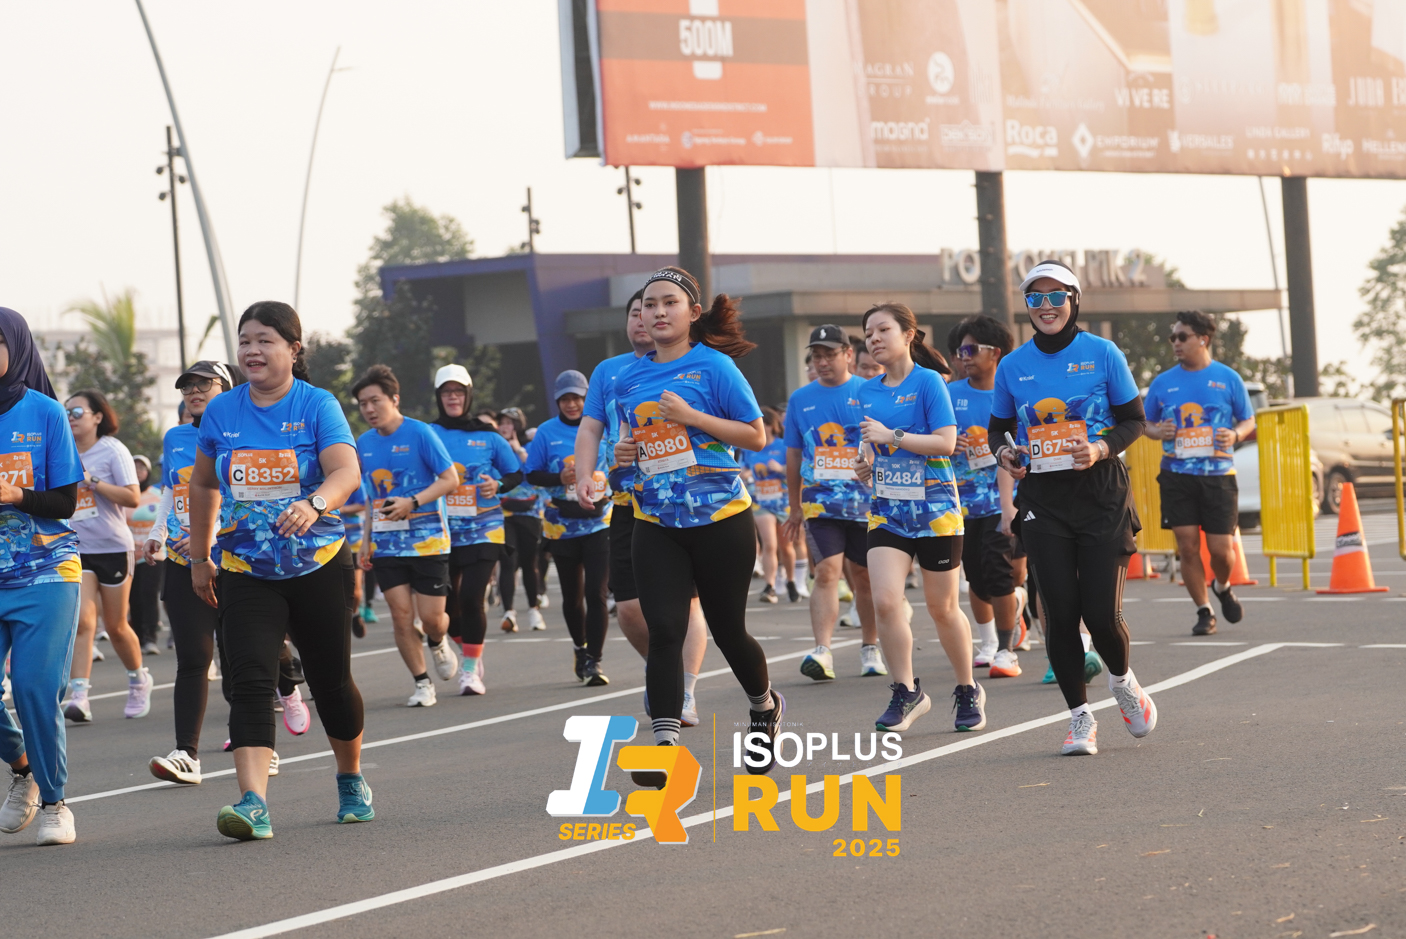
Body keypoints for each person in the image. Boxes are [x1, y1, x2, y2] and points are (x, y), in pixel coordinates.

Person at [188, 301, 370, 839]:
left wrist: (315, 503)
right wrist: (199, 557)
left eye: (264, 340)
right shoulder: (222, 411)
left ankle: (350, 777)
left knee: (330, 682)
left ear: (293, 349)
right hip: (245, 567)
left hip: (318, 563)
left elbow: (346, 470)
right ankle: (253, 803)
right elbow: (204, 484)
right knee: (249, 681)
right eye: (245, 340)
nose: (252, 350)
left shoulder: (317, 404)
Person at [605, 266, 784, 778]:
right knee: (665, 630)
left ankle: (764, 706)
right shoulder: (628, 378)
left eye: (669, 303)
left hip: (721, 519)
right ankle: (665, 749)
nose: (658, 312)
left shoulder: (715, 367)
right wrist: (622, 455)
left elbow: (755, 436)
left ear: (692, 313)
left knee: (728, 631)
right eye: (649, 305)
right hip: (655, 520)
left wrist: (694, 418)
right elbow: (634, 447)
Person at [992, 260, 1157, 757]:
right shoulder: (1012, 366)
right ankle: (1080, 718)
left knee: (1101, 615)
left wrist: (1101, 448)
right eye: (1035, 298)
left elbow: (1134, 420)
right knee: (1061, 613)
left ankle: (1122, 681)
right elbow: (1000, 429)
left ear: (1074, 300)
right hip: (1043, 499)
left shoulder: (1103, 353)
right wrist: (1006, 454)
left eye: (1055, 296)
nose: (1046, 306)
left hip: (1101, 493)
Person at [145, 360, 301, 787]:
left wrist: (209, 539)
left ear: (228, 388)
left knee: (240, 656)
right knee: (194, 658)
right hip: (185, 560)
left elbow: (246, 497)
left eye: (204, 384)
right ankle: (186, 754)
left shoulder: (249, 432)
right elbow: (173, 490)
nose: (194, 392)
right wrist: (158, 533)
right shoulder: (176, 437)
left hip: (236, 559)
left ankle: (264, 735)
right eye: (187, 387)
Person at [574, 290, 709, 725]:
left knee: (687, 603)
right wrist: (584, 474)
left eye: (653, 309)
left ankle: (684, 691)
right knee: (630, 607)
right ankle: (663, 673)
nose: (644, 318)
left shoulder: (692, 363)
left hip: (681, 500)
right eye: (637, 311)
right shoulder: (609, 371)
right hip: (627, 501)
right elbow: (590, 427)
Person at [852, 304, 984, 734]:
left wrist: (891, 436)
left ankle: (967, 688)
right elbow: (869, 446)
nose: (873, 338)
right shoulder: (866, 392)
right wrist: (864, 463)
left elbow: (945, 443)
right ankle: (906, 691)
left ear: (908, 335)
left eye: (882, 329)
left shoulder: (929, 382)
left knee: (942, 608)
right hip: (888, 510)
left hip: (935, 510)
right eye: (868, 333)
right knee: (886, 601)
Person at [0, 307, 86, 845]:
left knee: (34, 688)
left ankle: (55, 803)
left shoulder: (46, 413)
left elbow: (66, 501)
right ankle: (25, 767)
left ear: (15, 346)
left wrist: (17, 495)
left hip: (44, 570)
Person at [782, 325, 885, 681]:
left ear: (848, 355)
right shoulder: (800, 399)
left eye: (829, 354)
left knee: (864, 577)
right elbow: (793, 454)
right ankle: (822, 651)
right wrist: (794, 505)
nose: (822, 362)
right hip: (819, 503)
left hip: (865, 503)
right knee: (826, 571)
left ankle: (870, 647)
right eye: (817, 356)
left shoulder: (869, 391)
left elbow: (885, 443)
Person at [354, 364, 460, 708]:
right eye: (363, 404)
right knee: (400, 616)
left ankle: (438, 640)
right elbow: (370, 497)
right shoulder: (363, 443)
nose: (369, 409)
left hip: (428, 539)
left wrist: (412, 502)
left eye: (375, 401)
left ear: (394, 399)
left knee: (431, 620)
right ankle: (422, 682)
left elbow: (450, 480)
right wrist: (366, 540)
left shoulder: (420, 433)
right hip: (386, 543)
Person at [1143, 310, 1255, 636]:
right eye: (1173, 337)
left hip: (1219, 475)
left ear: (1203, 339)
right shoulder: (1162, 383)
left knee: (1221, 551)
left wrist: (1235, 434)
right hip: (1176, 475)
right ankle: (1204, 610)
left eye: (1182, 336)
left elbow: (1248, 419)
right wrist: (1158, 431)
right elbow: (1144, 423)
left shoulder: (1227, 378)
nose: (1175, 343)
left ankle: (1222, 586)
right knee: (1188, 546)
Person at [430, 364, 522, 694]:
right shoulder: (427, 434)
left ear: (468, 395)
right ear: (439, 397)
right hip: (440, 531)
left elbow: (515, 474)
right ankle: (469, 648)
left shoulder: (489, 436)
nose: (453, 398)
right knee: (446, 606)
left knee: (471, 597)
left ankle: (470, 670)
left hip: (484, 527)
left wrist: (497, 485)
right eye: (446, 392)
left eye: (458, 392)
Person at [60, 389, 149, 722]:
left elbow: (132, 498)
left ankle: (138, 680)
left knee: (116, 626)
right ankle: (80, 696)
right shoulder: (61, 448)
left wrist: (91, 480)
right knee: (83, 621)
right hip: (74, 547)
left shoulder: (113, 450)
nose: (70, 418)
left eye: (77, 412)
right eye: (67, 412)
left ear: (98, 417)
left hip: (113, 547)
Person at [949, 316, 1028, 677]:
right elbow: (932, 438)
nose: (963, 357)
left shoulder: (1011, 394)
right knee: (977, 579)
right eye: (960, 351)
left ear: (994, 352)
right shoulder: (950, 394)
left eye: (971, 350)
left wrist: (1010, 503)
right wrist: (948, 444)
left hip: (1003, 499)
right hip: (960, 505)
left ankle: (1006, 650)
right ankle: (992, 637)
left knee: (1000, 573)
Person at [526, 370, 613, 685]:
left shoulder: (605, 427)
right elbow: (531, 474)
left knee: (596, 592)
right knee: (573, 597)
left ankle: (594, 661)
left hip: (600, 522)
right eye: (565, 399)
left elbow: (619, 464)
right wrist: (559, 478)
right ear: (557, 401)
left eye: (577, 397)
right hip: (561, 525)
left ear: (587, 397)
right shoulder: (546, 432)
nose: (572, 404)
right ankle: (580, 647)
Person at [495, 407, 545, 630]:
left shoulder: (530, 446)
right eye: (502, 423)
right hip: (503, 513)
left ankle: (534, 610)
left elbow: (536, 471)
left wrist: (518, 450)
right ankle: (509, 613)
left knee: (529, 562)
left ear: (518, 425)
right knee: (508, 561)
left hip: (529, 512)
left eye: (509, 423)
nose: (505, 427)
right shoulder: (496, 446)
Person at [746, 406, 799, 604]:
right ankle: (769, 586)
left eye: (763, 423)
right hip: (761, 501)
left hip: (783, 501)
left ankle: (791, 581)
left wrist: (780, 468)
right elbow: (743, 467)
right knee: (769, 544)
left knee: (786, 547)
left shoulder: (783, 446)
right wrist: (744, 473)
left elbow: (796, 470)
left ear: (770, 425)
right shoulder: (750, 447)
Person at [127, 455, 164, 654]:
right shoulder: (124, 495)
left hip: (154, 554)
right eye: (134, 467)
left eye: (142, 468)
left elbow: (165, 522)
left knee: (148, 594)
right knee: (134, 598)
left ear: (148, 472)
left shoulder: (157, 495)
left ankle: (150, 637)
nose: (138, 471)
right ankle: (138, 638)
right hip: (130, 554)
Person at [342, 478, 369, 637]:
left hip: (354, 540)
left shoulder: (356, 482)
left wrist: (339, 508)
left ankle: (355, 613)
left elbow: (363, 504)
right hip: (329, 541)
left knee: (355, 590)